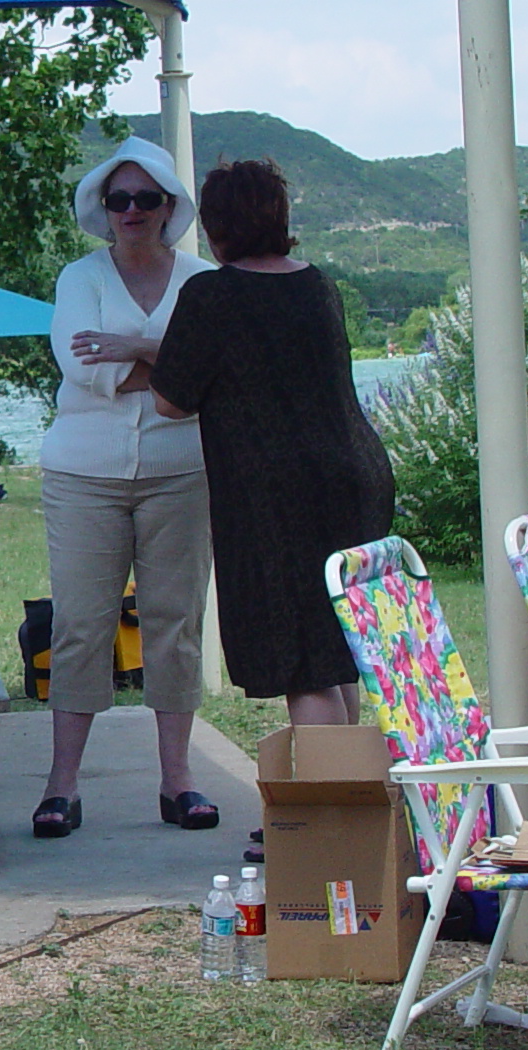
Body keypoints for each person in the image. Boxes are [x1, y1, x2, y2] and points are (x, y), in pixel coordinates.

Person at [151, 157, 395, 727]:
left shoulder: (213, 296)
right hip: (356, 475)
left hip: (277, 496)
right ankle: (346, 792)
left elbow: (172, 397)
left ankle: (322, 808)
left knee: (301, 663)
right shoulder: (319, 286)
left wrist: (139, 352)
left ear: (215, 228)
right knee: (338, 650)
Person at [36, 139, 220, 839]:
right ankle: (62, 785)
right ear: (103, 209)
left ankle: (180, 782)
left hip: (183, 471)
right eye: (120, 200)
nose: (133, 211)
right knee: (81, 624)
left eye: (147, 198)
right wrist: (174, 364)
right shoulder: (78, 278)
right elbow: (80, 364)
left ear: (170, 206)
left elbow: (215, 371)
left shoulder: (203, 280)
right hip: (83, 474)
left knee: (176, 624)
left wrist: (136, 350)